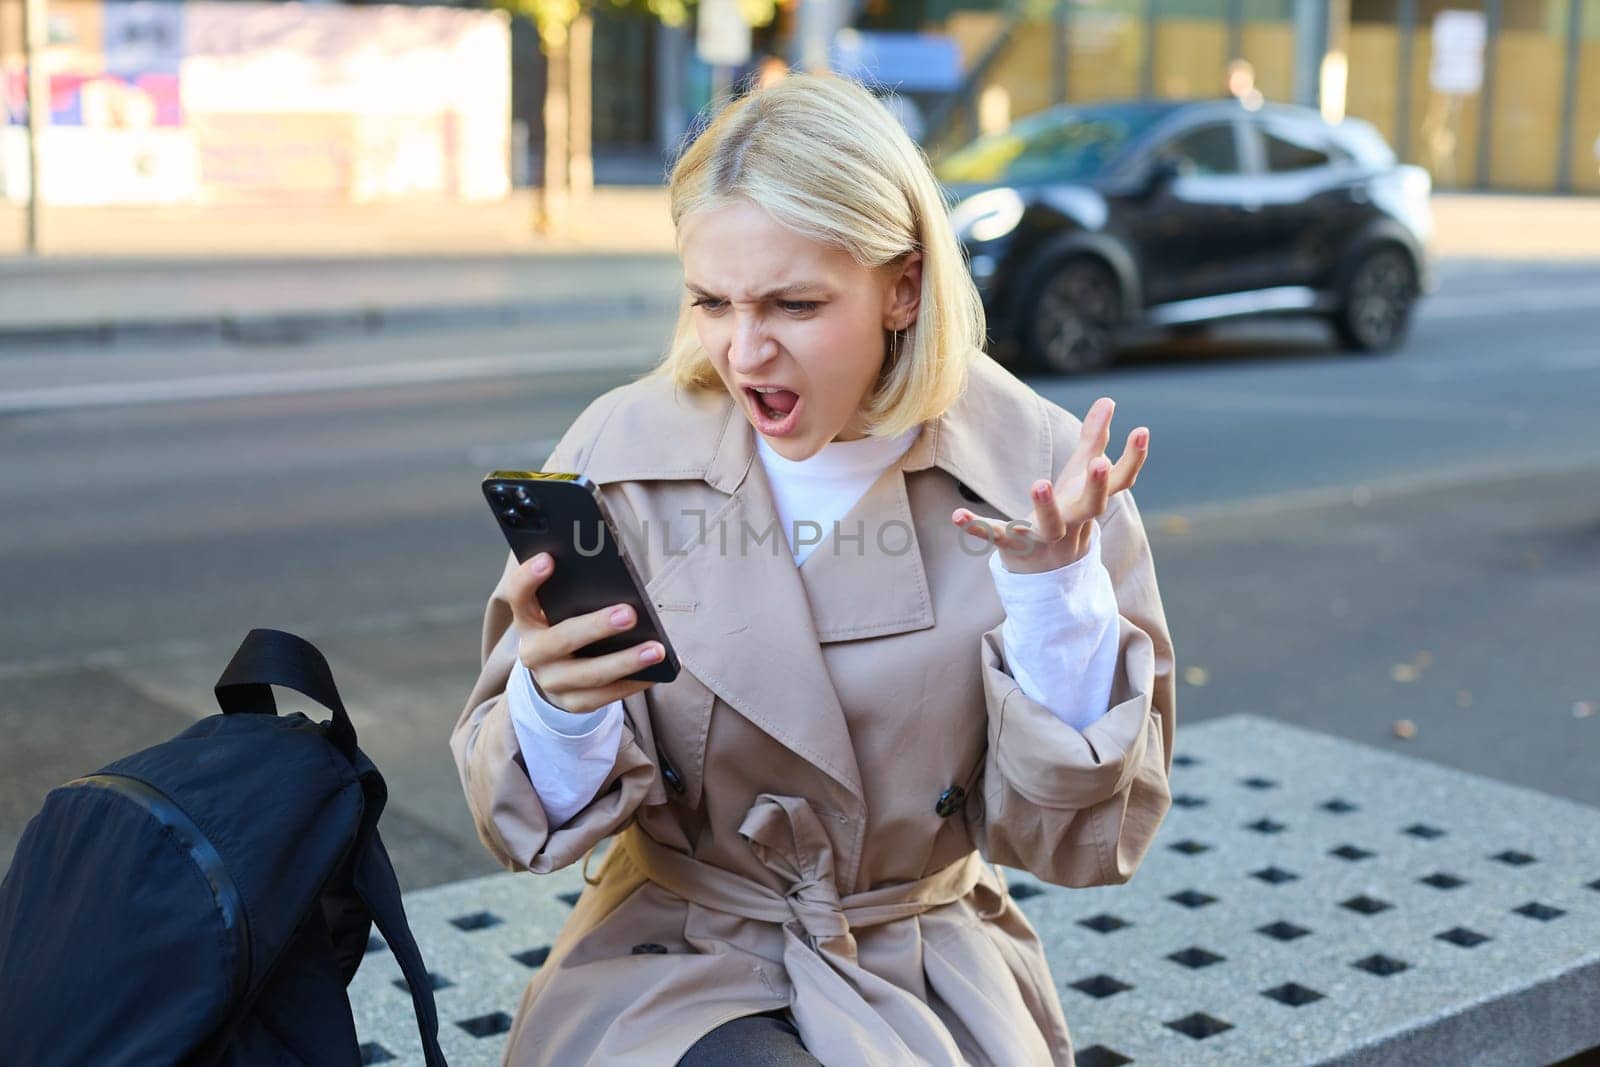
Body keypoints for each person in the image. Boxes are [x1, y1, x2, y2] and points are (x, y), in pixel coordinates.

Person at [451, 73, 1176, 1065]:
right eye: (711, 300)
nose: (744, 352)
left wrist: (1054, 598)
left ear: (902, 286)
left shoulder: (1041, 471)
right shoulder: (618, 449)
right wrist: (558, 708)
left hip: (914, 959)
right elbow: (525, 824)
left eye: (794, 304)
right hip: (669, 955)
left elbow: (1085, 840)